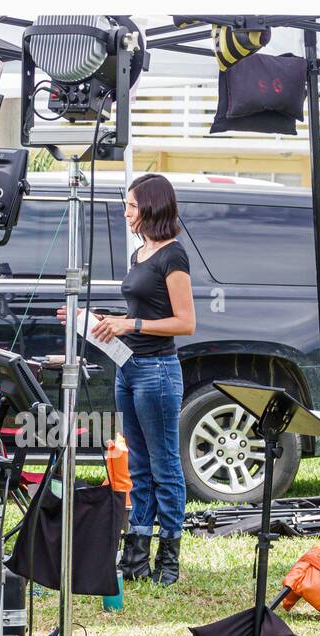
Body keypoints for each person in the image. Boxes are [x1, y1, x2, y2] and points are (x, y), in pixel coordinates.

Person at [80, 173, 196, 586]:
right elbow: (135, 316)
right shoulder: (139, 255)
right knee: (139, 465)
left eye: (131, 205)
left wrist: (131, 324)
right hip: (128, 369)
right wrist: (98, 323)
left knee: (165, 465)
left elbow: (185, 323)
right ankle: (135, 558)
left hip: (158, 373)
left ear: (150, 207)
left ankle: (169, 558)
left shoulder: (173, 256)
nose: (125, 211)